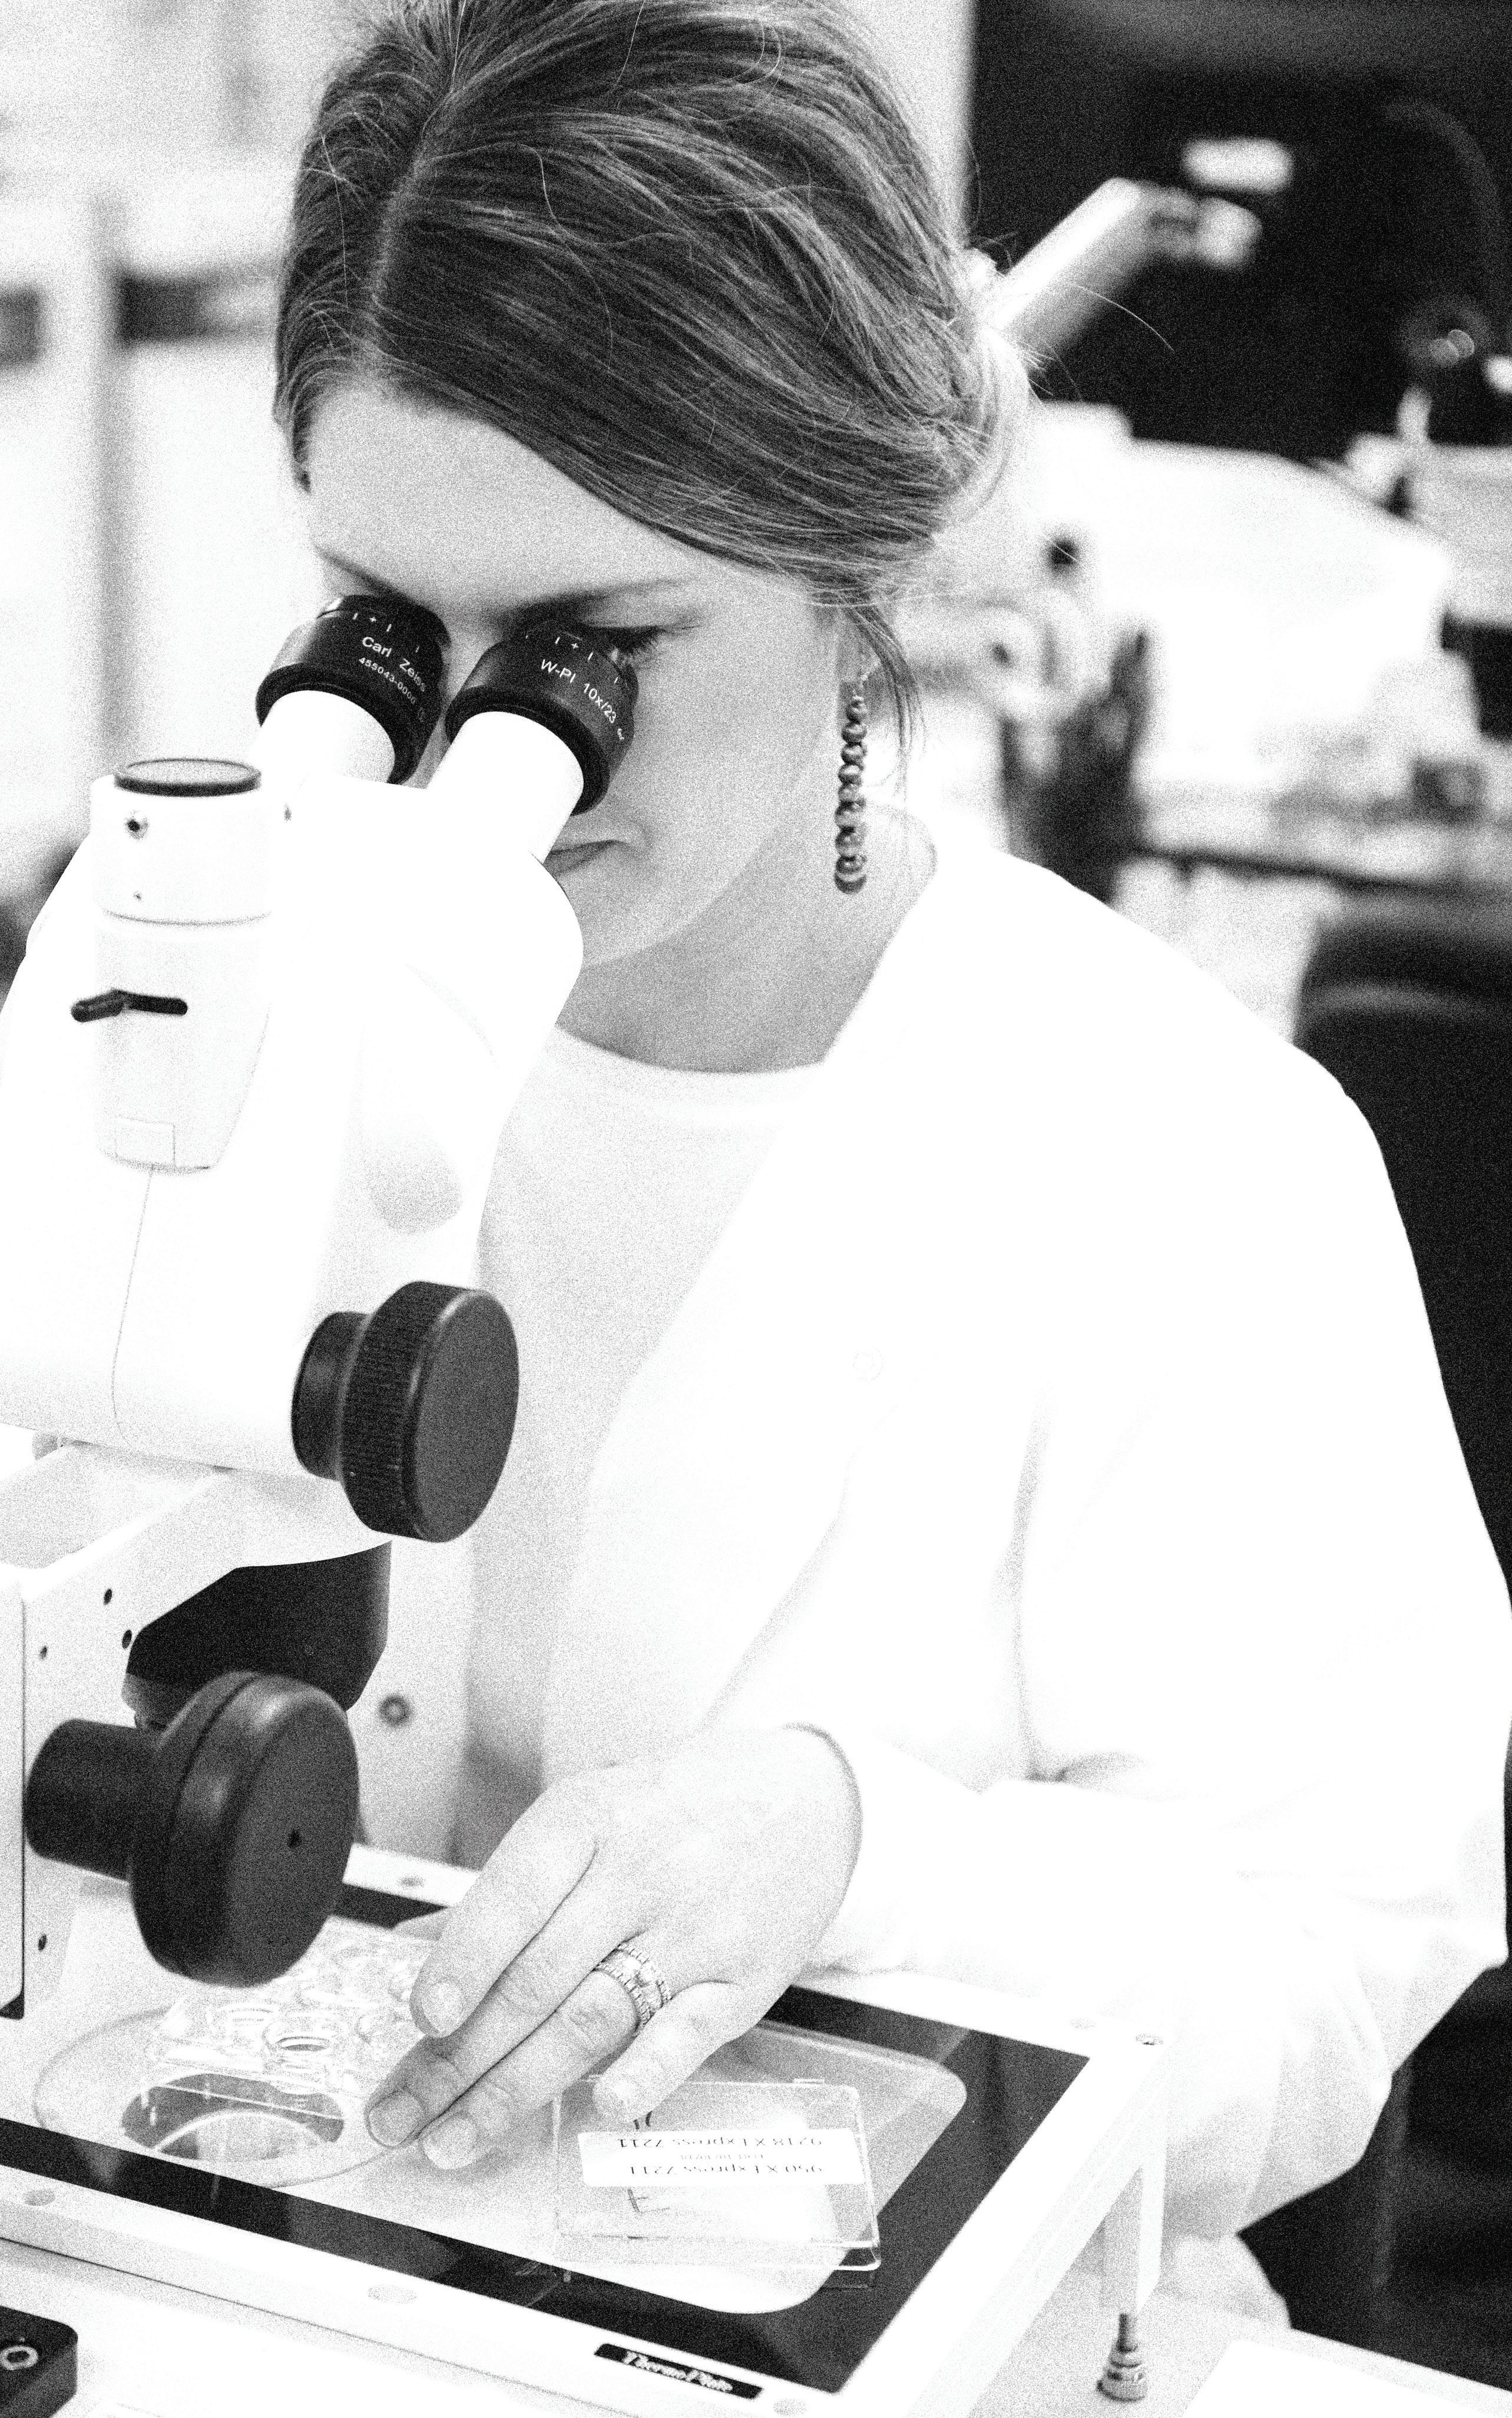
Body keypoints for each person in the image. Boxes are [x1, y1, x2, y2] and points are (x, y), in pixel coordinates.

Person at [273, 0, 1511, 2281]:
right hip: (374, 2261)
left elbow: (1328, 1977)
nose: (476, 746)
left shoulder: (1191, 1156)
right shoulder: (267, 1024)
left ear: (859, 561)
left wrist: (854, 1846)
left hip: (932, 2308)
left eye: (590, 640)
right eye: (390, 631)